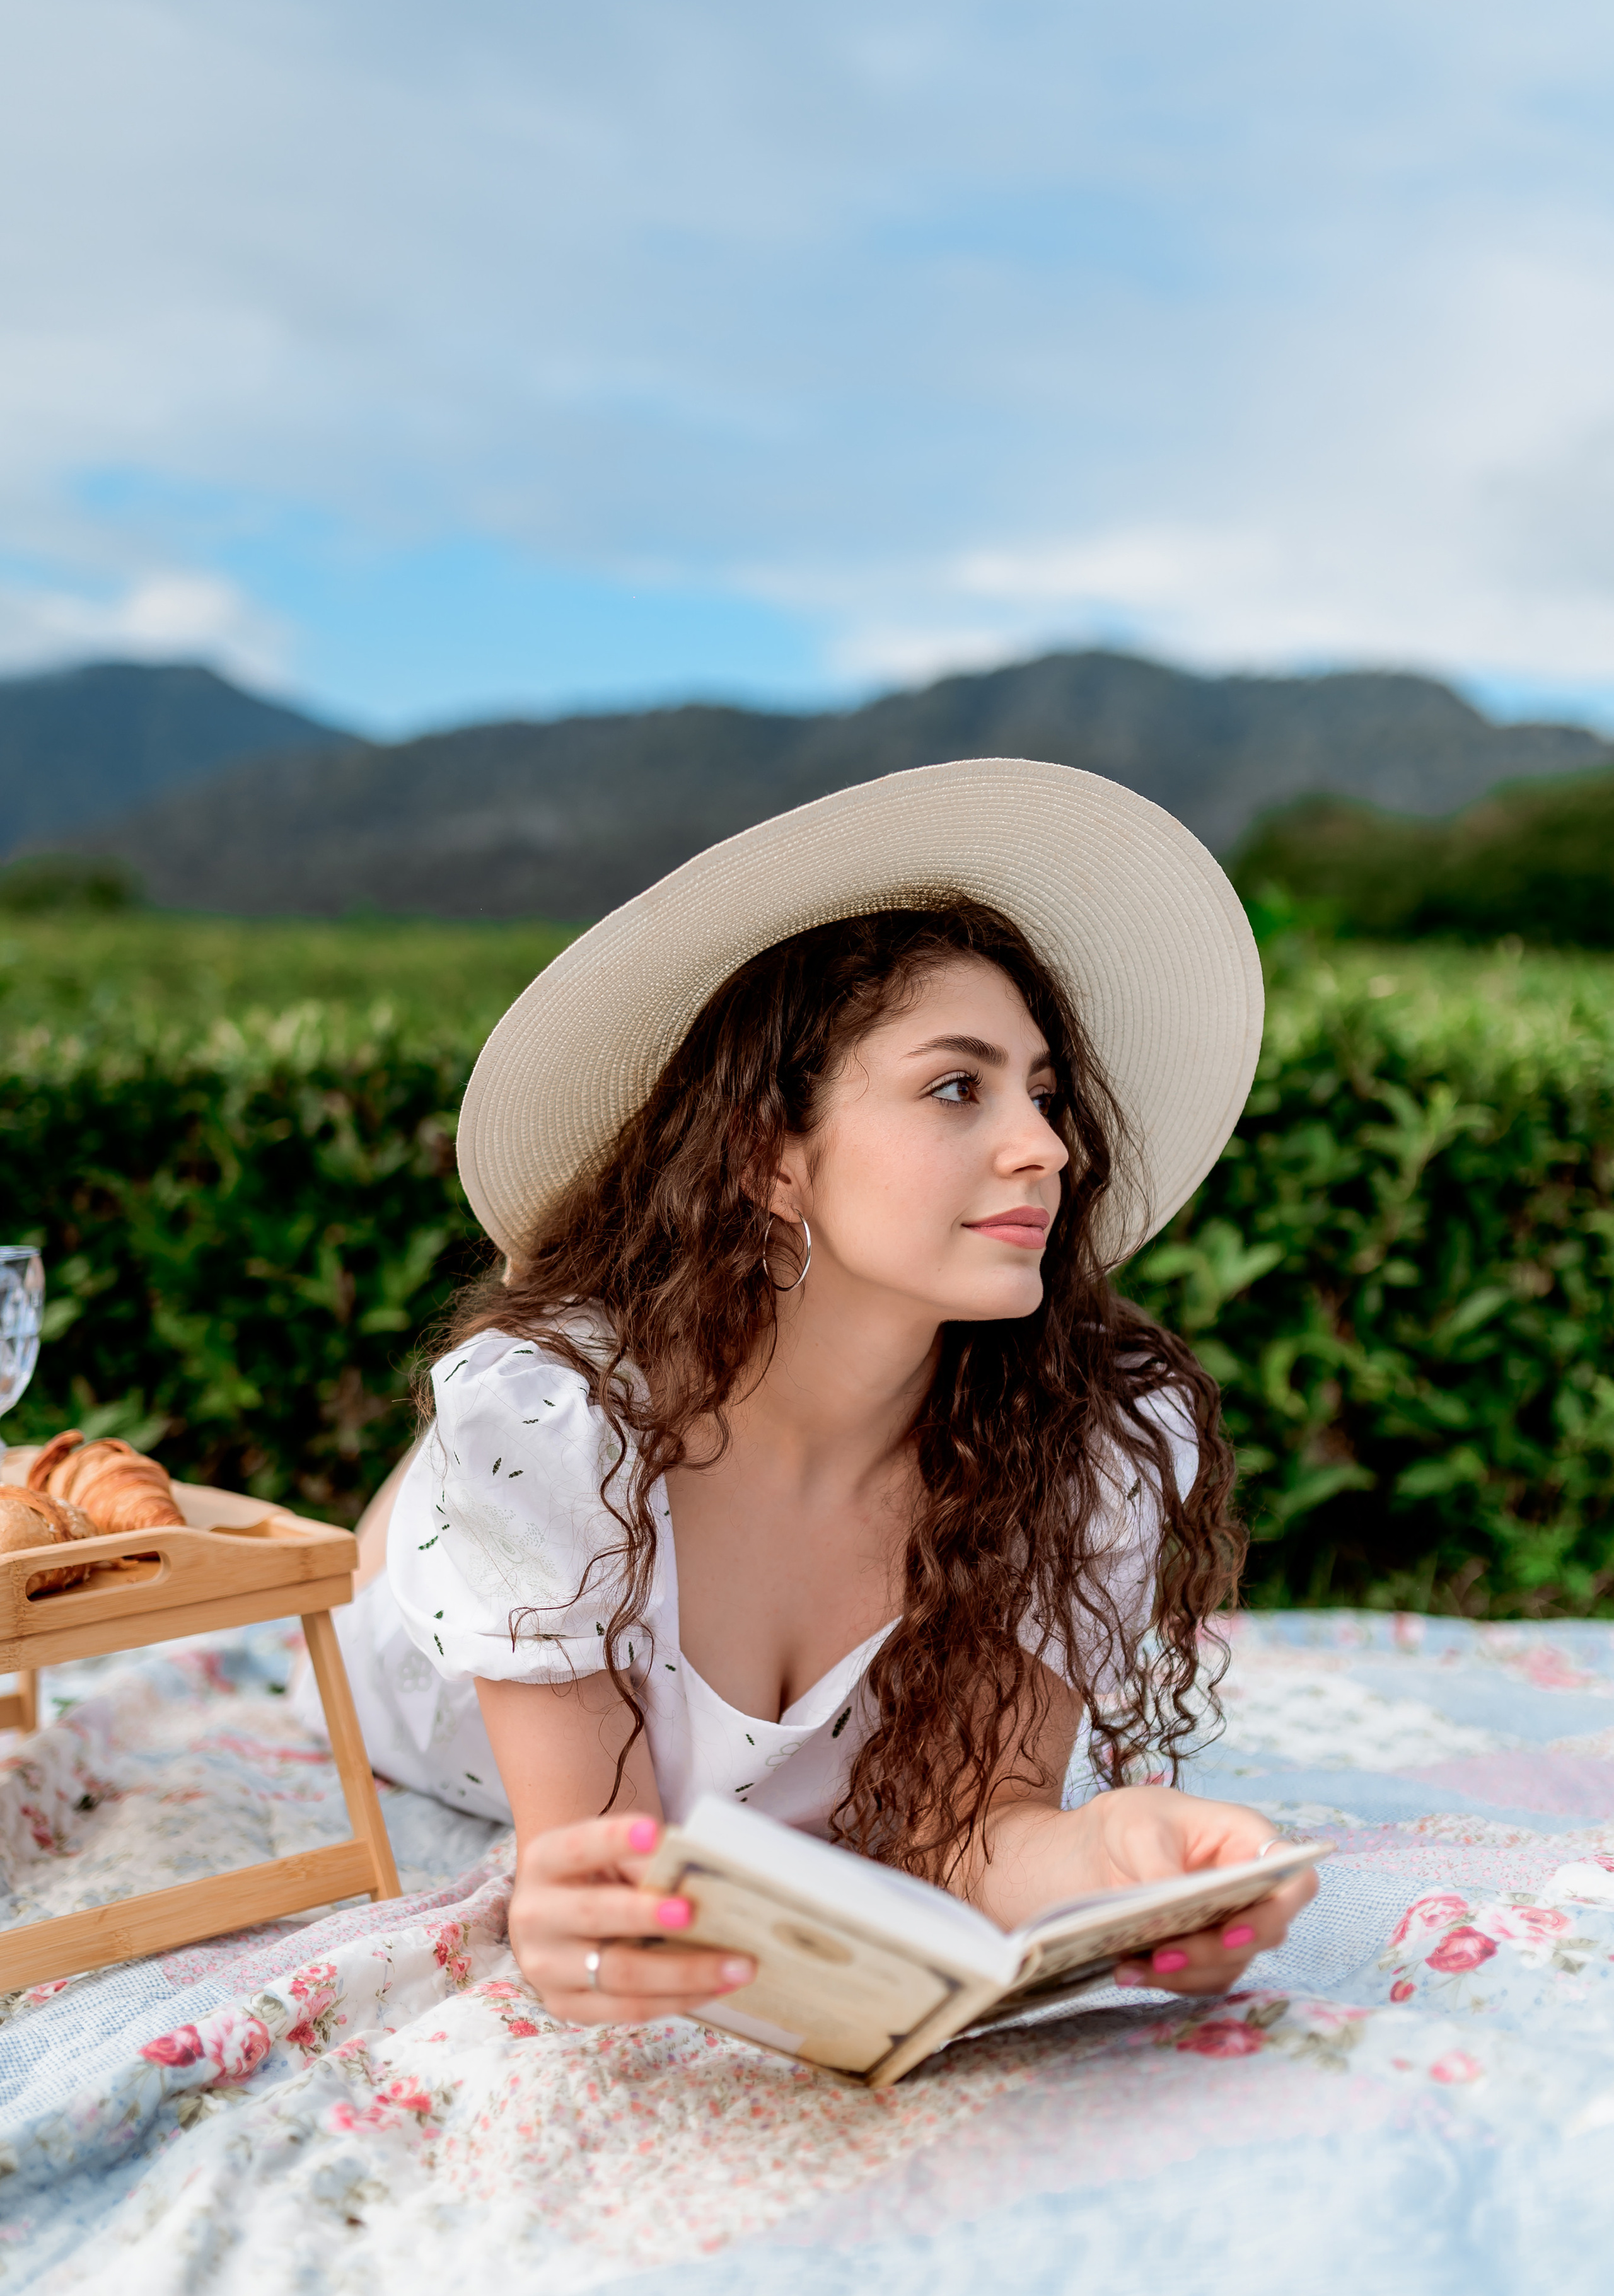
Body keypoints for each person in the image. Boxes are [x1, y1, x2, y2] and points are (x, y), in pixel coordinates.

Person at [306, 758, 1317, 2027]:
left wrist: (1127, 1858)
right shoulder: (552, 1432)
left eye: (1044, 1093)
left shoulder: (1068, 1446)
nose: (1046, 1146)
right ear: (767, 1157)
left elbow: (970, 1834)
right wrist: (569, 1923)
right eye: (957, 1086)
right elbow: (609, 1867)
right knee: (483, 1443)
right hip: (413, 1651)